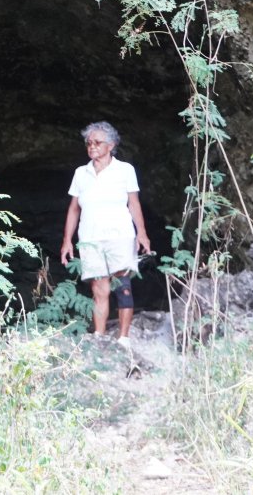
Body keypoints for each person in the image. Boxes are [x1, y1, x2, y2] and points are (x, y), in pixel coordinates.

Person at [60, 121, 151, 346]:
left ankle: (123, 337)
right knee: (99, 288)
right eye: (89, 143)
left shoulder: (125, 170)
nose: (92, 146)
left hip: (120, 235)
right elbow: (74, 209)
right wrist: (67, 241)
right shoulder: (81, 173)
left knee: (122, 285)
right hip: (90, 238)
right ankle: (99, 337)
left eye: (97, 142)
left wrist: (142, 234)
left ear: (111, 145)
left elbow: (134, 204)